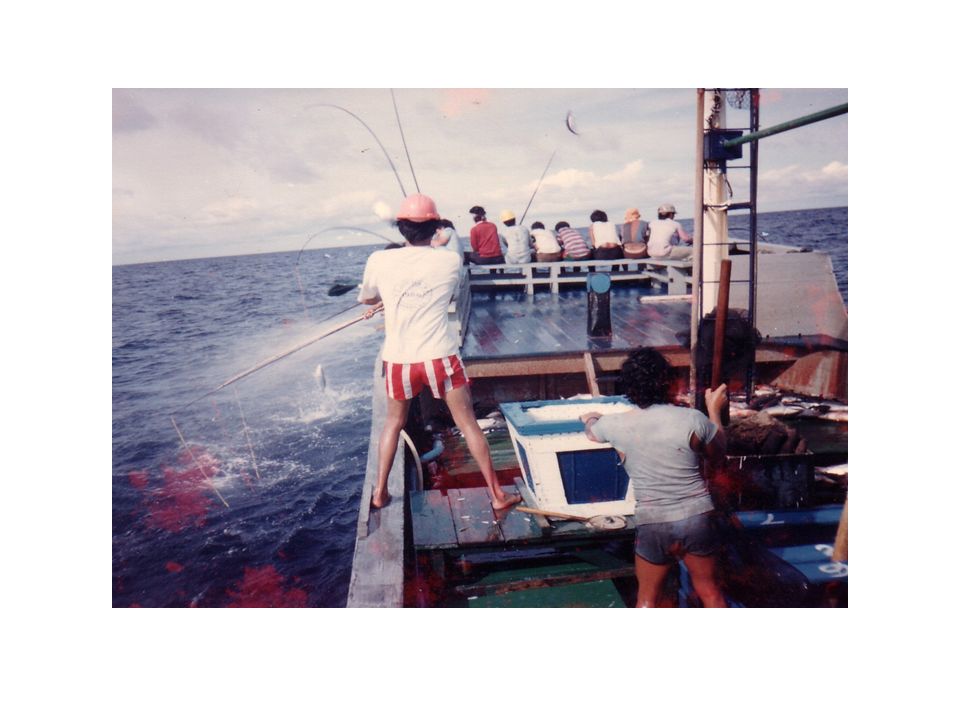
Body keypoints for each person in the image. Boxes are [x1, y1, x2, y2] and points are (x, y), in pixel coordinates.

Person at [358, 193, 521, 512]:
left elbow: (367, 299)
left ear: (401, 228)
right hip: (440, 357)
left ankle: (379, 493)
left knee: (393, 424)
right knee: (469, 424)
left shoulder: (379, 259)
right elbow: (435, 283)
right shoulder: (448, 260)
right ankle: (498, 496)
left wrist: (385, 301)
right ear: (434, 227)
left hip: (400, 361)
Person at [579, 347, 728, 608]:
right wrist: (714, 409)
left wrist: (591, 417)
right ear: (668, 381)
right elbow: (718, 453)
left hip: (653, 521)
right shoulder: (693, 419)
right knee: (710, 592)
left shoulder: (614, 425)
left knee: (647, 599)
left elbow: (592, 431)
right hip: (696, 517)